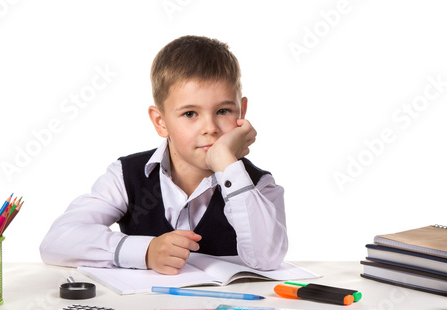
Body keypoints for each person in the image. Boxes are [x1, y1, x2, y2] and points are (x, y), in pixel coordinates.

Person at [40, 35, 288, 275]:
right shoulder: (126, 175)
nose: (210, 128)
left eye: (223, 110)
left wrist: (227, 163)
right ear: (161, 122)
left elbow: (267, 258)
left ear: (242, 112)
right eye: (190, 114)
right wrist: (145, 251)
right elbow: (57, 241)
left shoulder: (258, 186)